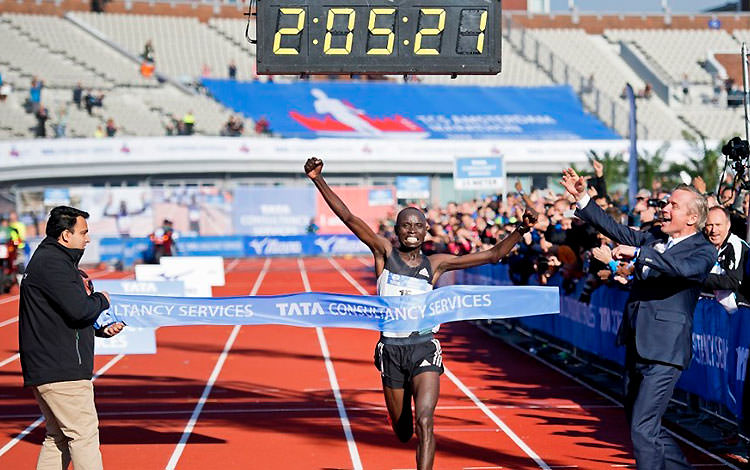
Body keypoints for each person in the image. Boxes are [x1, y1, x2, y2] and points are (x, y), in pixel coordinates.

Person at [306, 157, 536, 470]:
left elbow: (493, 254)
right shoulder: (383, 253)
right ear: (397, 230)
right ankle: (396, 414)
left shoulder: (436, 263)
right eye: (406, 225)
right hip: (391, 350)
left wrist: (522, 228)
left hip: (424, 347)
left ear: (426, 230)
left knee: (425, 422)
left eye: (418, 225)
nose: (412, 230)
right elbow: (348, 217)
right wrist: (318, 179)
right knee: (403, 432)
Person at [560, 168, 716, 470]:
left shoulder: (703, 250)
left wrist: (637, 255)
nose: (665, 208)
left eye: (673, 205)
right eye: (667, 203)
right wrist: (582, 196)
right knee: (643, 425)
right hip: (636, 342)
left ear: (692, 219)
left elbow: (680, 269)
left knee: (642, 428)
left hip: (665, 351)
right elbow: (615, 229)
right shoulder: (655, 237)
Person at [19, 206, 124, 470]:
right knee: (83, 436)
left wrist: (100, 329)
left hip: (50, 366)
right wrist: (102, 300)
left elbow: (65, 313)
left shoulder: (50, 260)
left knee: (59, 438)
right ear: (66, 235)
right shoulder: (54, 264)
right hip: (61, 370)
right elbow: (78, 310)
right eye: (83, 233)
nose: (87, 239)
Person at [703, 205, 748, 310]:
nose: (714, 230)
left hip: (736, 311)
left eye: (718, 225)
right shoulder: (704, 244)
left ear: (728, 225)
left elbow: (733, 281)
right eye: (710, 225)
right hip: (711, 307)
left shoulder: (735, 245)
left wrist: (699, 277)